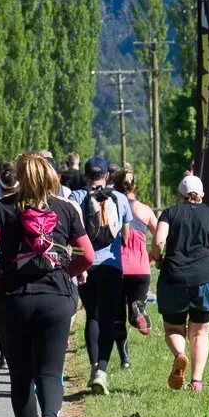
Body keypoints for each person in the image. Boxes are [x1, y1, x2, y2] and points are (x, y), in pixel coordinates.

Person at [0, 153, 93, 417]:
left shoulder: (3, 207)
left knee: (21, 377)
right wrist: (69, 270)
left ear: (19, 177)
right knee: (50, 373)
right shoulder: (66, 209)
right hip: (56, 297)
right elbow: (87, 254)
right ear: (52, 177)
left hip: (14, 298)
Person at [154, 174, 209, 392]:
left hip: (174, 277)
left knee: (174, 327)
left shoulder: (169, 213)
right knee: (200, 332)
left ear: (178, 195)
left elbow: (159, 241)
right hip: (206, 277)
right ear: (201, 195)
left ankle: (180, 355)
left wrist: (158, 259)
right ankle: (197, 382)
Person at [71, 157, 132, 395]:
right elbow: (125, 237)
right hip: (111, 266)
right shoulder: (120, 198)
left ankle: (93, 365)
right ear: (107, 176)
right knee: (107, 318)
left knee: (92, 317)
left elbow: (71, 235)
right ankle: (102, 372)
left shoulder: (76, 198)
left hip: (86, 266)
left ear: (86, 177)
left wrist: (80, 265)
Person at [116, 168, 158, 348]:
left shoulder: (112, 208)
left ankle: (125, 359)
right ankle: (138, 312)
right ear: (135, 186)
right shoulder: (145, 210)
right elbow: (160, 237)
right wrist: (152, 256)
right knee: (136, 307)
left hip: (117, 267)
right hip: (141, 268)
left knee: (117, 317)